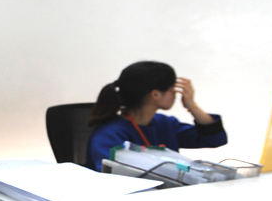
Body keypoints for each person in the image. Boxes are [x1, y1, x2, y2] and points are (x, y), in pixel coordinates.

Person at [85, 61, 227, 171]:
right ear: (155, 94)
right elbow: (114, 178)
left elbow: (215, 139)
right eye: (172, 88)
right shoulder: (109, 134)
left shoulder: (164, 123)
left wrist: (192, 106)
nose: (176, 93)